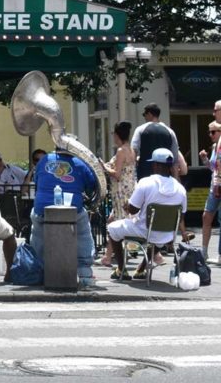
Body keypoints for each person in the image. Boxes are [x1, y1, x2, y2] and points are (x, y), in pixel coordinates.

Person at [107, 148, 189, 280]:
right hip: (168, 235)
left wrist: (127, 205)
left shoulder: (146, 182)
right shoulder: (181, 189)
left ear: (155, 165)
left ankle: (121, 269)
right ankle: (141, 269)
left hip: (144, 230)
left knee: (112, 229)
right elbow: (181, 217)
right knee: (158, 238)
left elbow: (133, 210)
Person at [30, 148, 98, 287]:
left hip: (42, 209)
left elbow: (37, 181)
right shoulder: (79, 163)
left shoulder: (44, 160)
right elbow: (91, 186)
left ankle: (37, 270)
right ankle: (85, 272)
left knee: (38, 235)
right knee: (83, 234)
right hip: (73, 210)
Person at [100, 121, 136, 266]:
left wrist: (104, 167)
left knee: (119, 223)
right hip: (129, 190)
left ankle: (115, 256)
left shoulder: (121, 151)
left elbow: (117, 174)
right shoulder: (131, 150)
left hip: (121, 191)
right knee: (112, 221)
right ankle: (108, 256)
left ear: (117, 135)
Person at [131, 103, 186, 179]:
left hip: (145, 175)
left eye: (145, 115)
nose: (145, 118)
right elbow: (175, 159)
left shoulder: (140, 129)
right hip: (165, 176)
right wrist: (176, 178)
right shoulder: (170, 131)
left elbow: (134, 151)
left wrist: (132, 175)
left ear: (149, 114)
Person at [200, 120, 221, 263]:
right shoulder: (215, 147)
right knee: (206, 216)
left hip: (218, 185)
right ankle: (204, 251)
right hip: (215, 186)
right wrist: (205, 159)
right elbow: (213, 168)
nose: (210, 134)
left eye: (213, 132)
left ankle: (219, 255)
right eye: (209, 132)